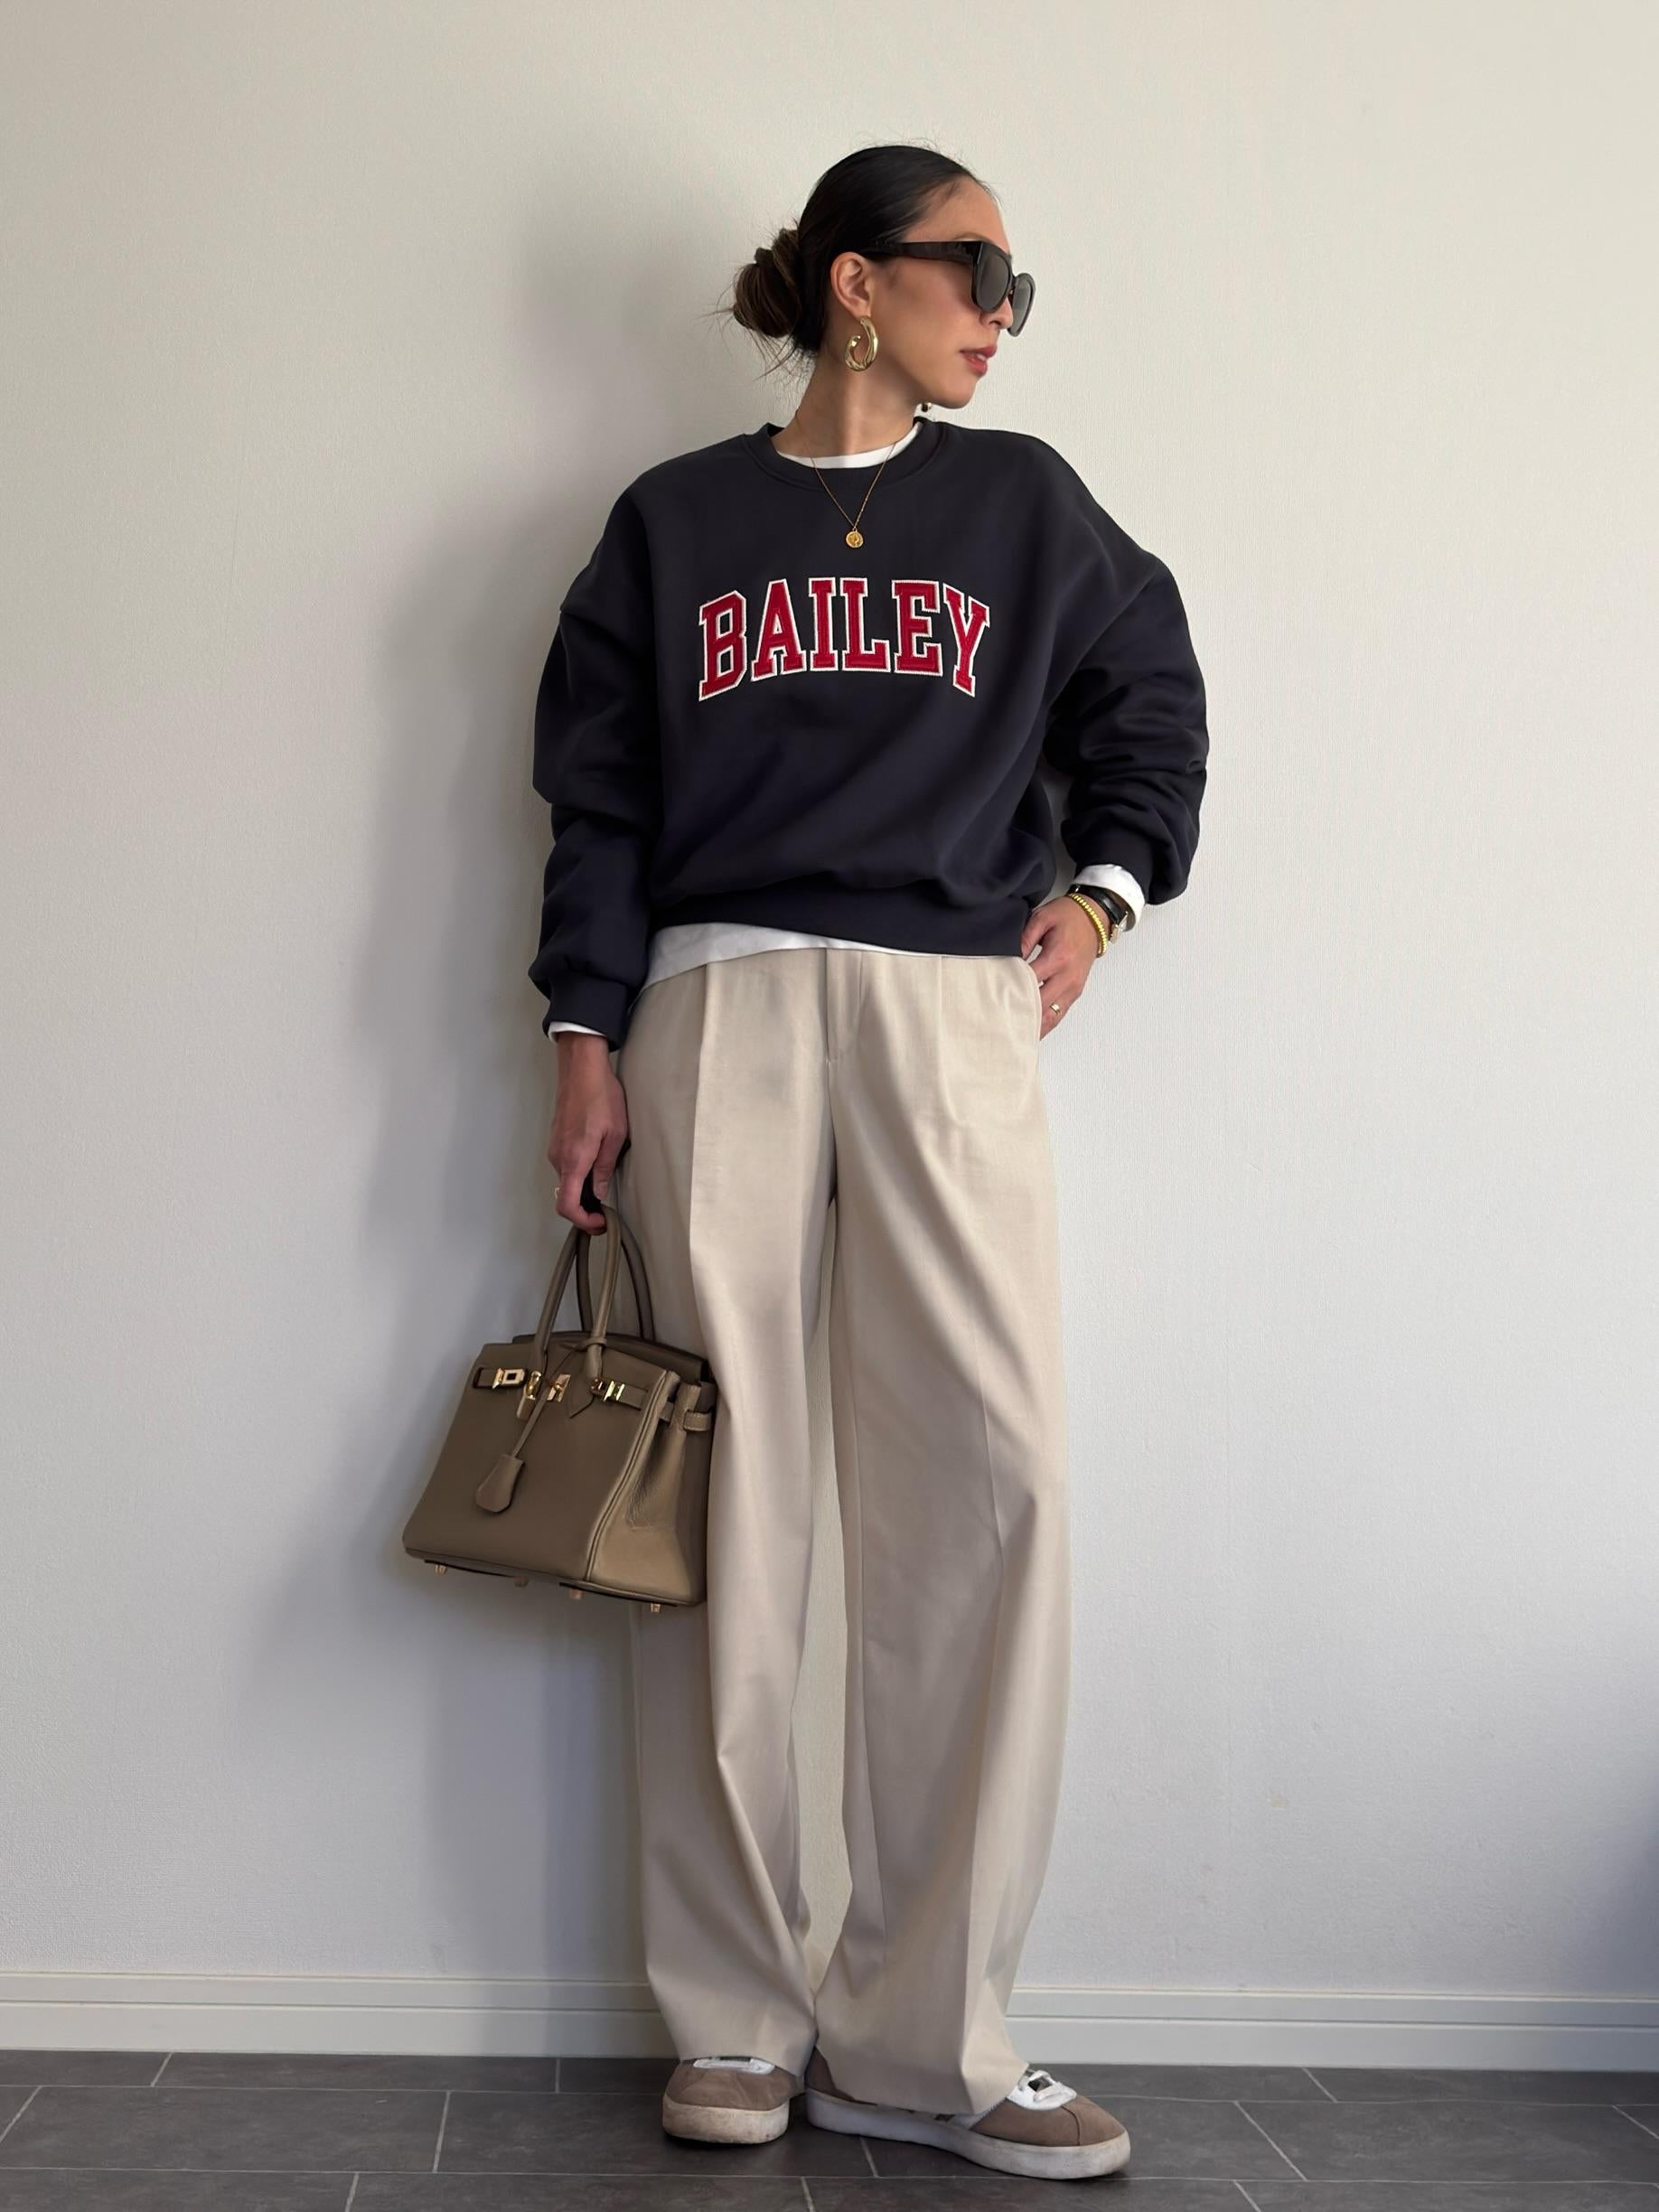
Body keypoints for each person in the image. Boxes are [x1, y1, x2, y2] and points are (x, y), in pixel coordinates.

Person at [528, 142, 1208, 2186]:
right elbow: (599, 796)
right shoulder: (677, 521)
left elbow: (1151, 698)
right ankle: (738, 2016)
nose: (1002, 310)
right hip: (715, 1003)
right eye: (973, 267)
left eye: (1015, 282)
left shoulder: (1027, 509)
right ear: (856, 281)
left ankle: (928, 2036)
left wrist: (1103, 893)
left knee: (993, 1490)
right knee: (723, 1517)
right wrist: (583, 1031)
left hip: (946, 1009)